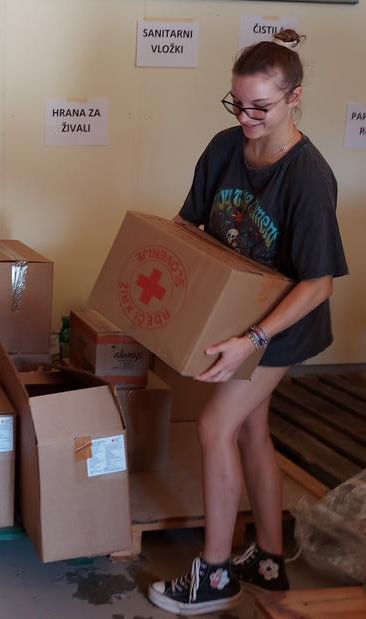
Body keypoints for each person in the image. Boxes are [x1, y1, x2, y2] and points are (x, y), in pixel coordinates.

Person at [147, 30, 348, 616]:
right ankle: (268, 558)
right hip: (241, 318)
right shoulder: (224, 147)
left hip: (282, 326)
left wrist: (251, 340)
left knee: (215, 427)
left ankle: (214, 575)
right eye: (237, 103)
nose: (245, 117)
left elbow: (319, 283)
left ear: (294, 98)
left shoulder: (308, 177)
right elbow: (187, 227)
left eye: (260, 107)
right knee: (251, 429)